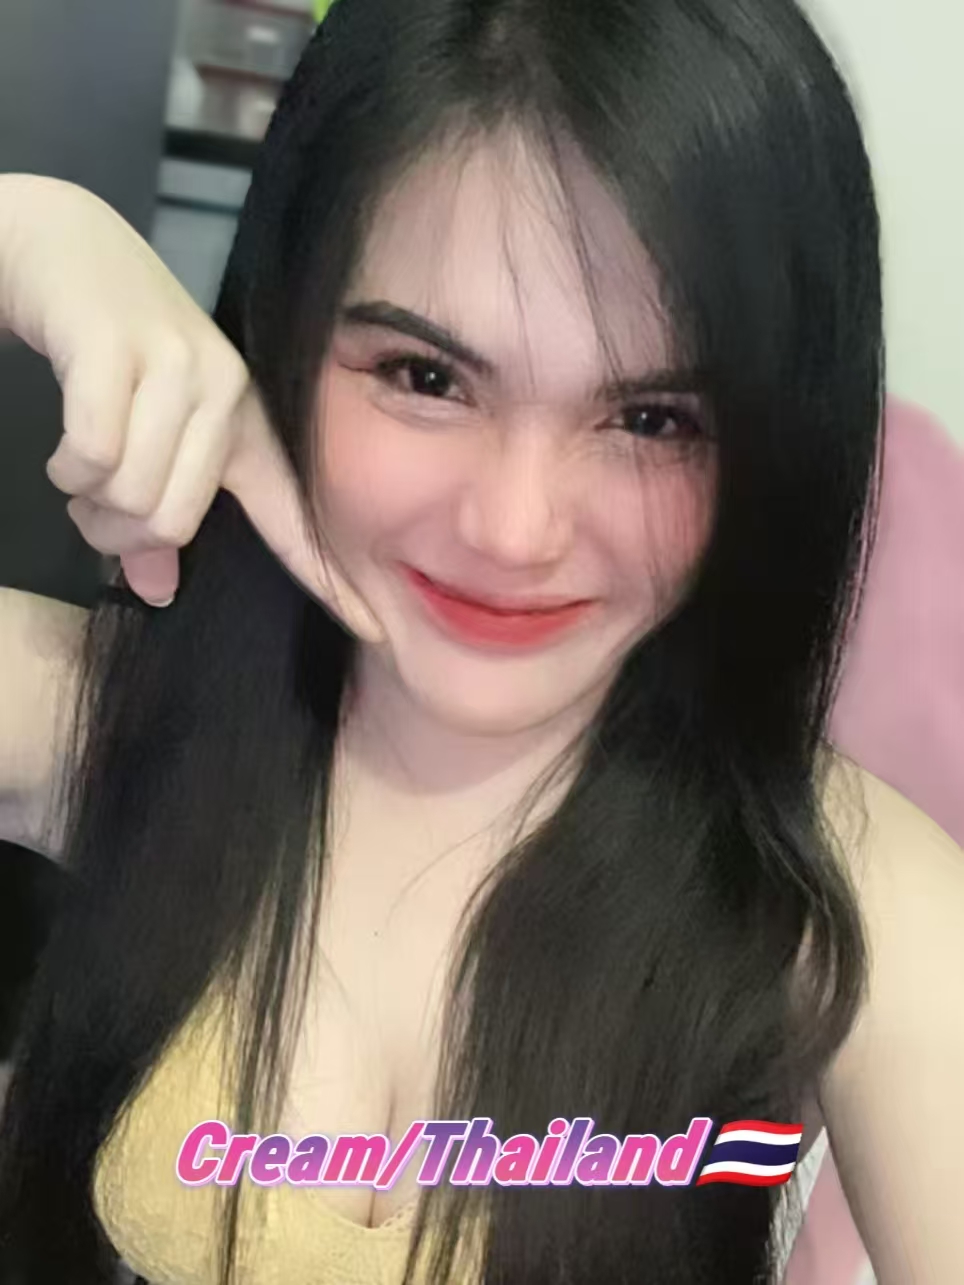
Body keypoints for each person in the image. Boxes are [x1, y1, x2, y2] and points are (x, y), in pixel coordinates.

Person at [0, 1, 961, 1283]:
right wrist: (29, 236)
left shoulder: (846, 903)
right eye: (426, 376)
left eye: (651, 419)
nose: (514, 530)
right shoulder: (120, 720)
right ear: (285, 339)